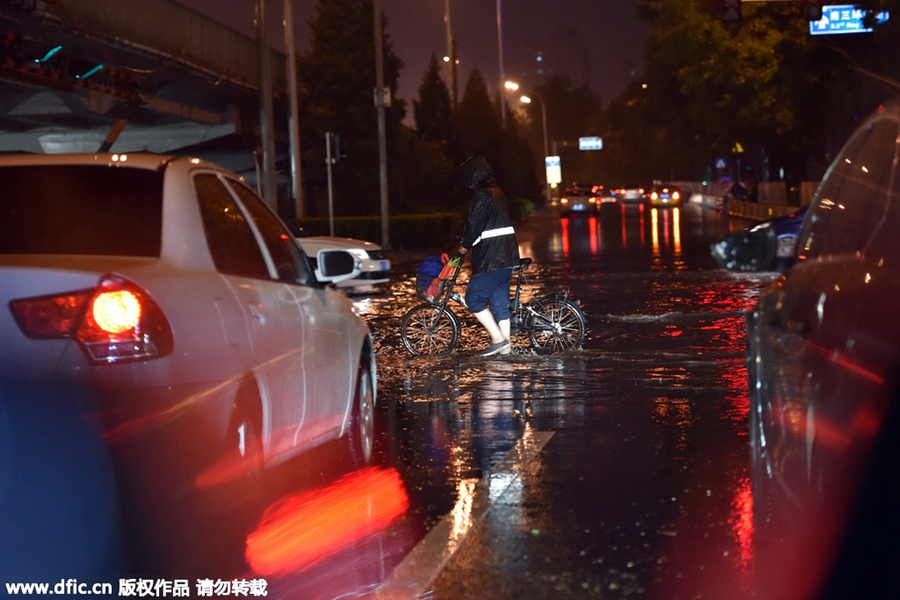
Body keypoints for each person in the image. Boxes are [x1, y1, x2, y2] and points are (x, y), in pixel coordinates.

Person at [457, 154, 520, 357]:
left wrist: (464, 245)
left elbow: (474, 224)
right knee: (500, 305)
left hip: (491, 258)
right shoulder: (498, 192)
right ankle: (506, 349)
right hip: (508, 257)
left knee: (473, 298)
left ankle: (498, 340)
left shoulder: (482, 194)